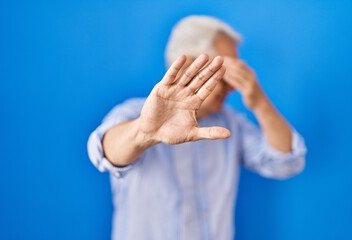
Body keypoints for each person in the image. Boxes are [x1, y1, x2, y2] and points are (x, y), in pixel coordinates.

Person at [87, 15, 307, 240]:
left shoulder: (230, 123)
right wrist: (144, 133)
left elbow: (286, 163)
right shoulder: (135, 113)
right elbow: (104, 152)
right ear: (192, 64)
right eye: (225, 69)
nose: (232, 86)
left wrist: (259, 102)